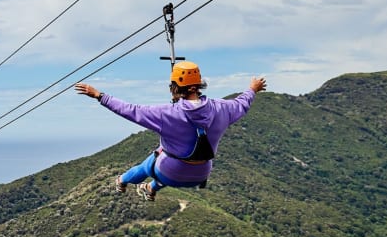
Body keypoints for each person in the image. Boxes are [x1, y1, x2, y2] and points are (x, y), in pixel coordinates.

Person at [74, 62, 266, 201]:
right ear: (198, 86)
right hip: (201, 174)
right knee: (173, 162)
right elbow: (243, 103)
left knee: (151, 163)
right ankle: (150, 188)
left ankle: (122, 181)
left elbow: (130, 110)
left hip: (170, 172)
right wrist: (252, 89)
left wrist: (99, 96)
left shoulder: (167, 114)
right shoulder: (223, 108)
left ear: (177, 87)